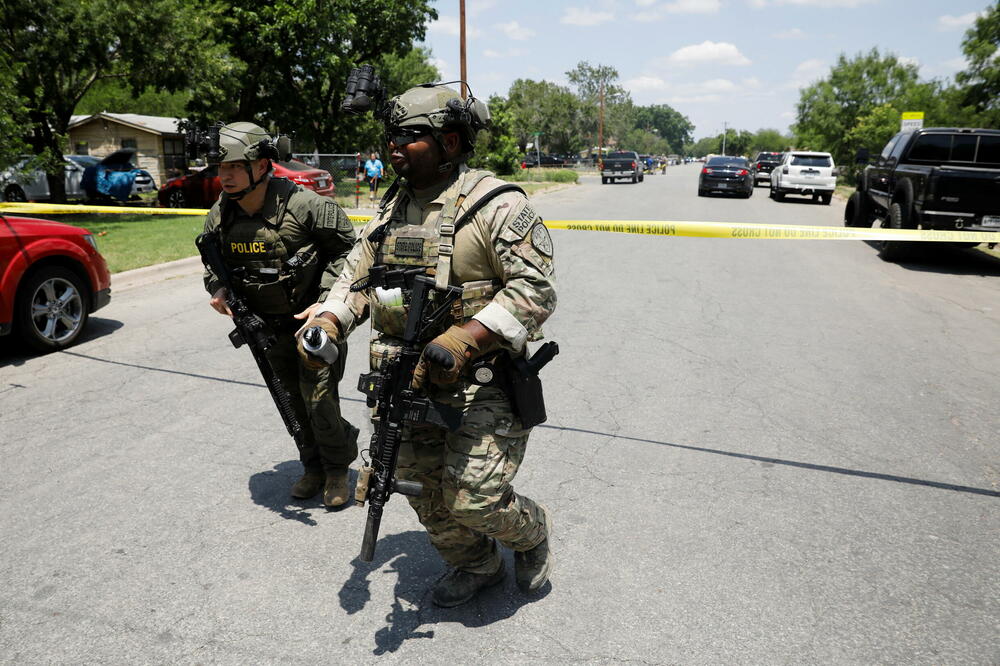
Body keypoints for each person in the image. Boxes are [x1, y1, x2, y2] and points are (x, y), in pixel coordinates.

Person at [298, 84, 557, 606]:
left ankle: (531, 534)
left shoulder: (497, 204)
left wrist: (466, 339)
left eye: (411, 136)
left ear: (451, 142)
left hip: (485, 386)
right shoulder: (391, 209)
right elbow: (356, 279)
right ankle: (476, 564)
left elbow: (534, 289)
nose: (395, 146)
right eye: (392, 135)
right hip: (405, 382)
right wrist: (327, 321)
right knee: (421, 490)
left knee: (473, 499)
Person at [201, 121, 359, 508]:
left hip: (313, 323)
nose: (226, 176)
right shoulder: (220, 216)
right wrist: (217, 289)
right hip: (264, 327)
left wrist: (326, 301)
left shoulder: (306, 205)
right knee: (289, 399)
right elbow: (211, 264)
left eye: (235, 166)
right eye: (221, 168)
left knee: (319, 398)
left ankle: (337, 469)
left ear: (261, 164)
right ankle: (313, 466)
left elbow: (349, 253)